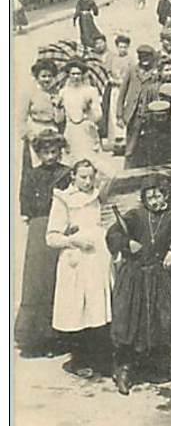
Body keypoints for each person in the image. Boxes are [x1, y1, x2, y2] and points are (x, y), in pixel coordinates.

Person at [106, 175, 171, 395]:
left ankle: (150, 369)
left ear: (166, 195)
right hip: (132, 276)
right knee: (127, 323)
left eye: (159, 195)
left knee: (158, 323)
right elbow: (113, 233)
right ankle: (123, 371)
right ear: (144, 199)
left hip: (156, 278)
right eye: (150, 197)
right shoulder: (135, 215)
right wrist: (126, 243)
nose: (155, 200)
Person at [45, 159, 113, 378]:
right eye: (82, 176)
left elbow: (111, 174)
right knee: (78, 308)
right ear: (72, 176)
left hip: (98, 259)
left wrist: (95, 166)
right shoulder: (64, 199)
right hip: (76, 259)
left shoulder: (97, 196)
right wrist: (74, 241)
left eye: (91, 176)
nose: (87, 181)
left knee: (97, 307)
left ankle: (99, 359)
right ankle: (78, 359)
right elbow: (51, 237)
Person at [15, 130, 72, 356]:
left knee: (57, 280)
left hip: (59, 226)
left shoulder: (66, 173)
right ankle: (33, 338)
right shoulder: (32, 174)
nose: (50, 157)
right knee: (36, 280)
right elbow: (25, 203)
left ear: (60, 151)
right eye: (46, 152)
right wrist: (32, 219)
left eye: (54, 152)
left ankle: (57, 338)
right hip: (39, 228)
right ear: (38, 153)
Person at [116, 45, 160, 169]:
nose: (144, 59)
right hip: (133, 114)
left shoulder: (156, 73)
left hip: (149, 114)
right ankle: (127, 171)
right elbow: (122, 93)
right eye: (142, 56)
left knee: (148, 145)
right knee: (131, 145)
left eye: (147, 57)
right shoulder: (132, 71)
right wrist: (119, 115)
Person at [58, 59, 106, 171]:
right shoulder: (63, 92)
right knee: (72, 162)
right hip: (70, 131)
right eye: (73, 74)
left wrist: (89, 111)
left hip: (86, 129)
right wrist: (58, 107)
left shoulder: (91, 91)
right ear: (68, 75)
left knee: (89, 160)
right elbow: (59, 119)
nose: (75, 76)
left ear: (83, 74)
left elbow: (98, 115)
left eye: (78, 73)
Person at [20, 58, 65, 170]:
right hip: (36, 131)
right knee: (37, 167)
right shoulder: (30, 93)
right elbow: (21, 119)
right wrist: (31, 137)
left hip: (53, 131)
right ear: (37, 77)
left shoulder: (58, 93)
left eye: (50, 76)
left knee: (54, 164)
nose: (47, 79)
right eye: (43, 76)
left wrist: (58, 106)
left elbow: (59, 120)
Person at [102, 35, 134, 150]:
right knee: (113, 111)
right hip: (115, 88)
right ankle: (115, 140)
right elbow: (108, 73)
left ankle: (125, 139)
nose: (122, 49)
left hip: (126, 89)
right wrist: (113, 80)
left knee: (124, 110)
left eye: (124, 47)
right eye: (120, 47)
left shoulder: (130, 60)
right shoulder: (112, 58)